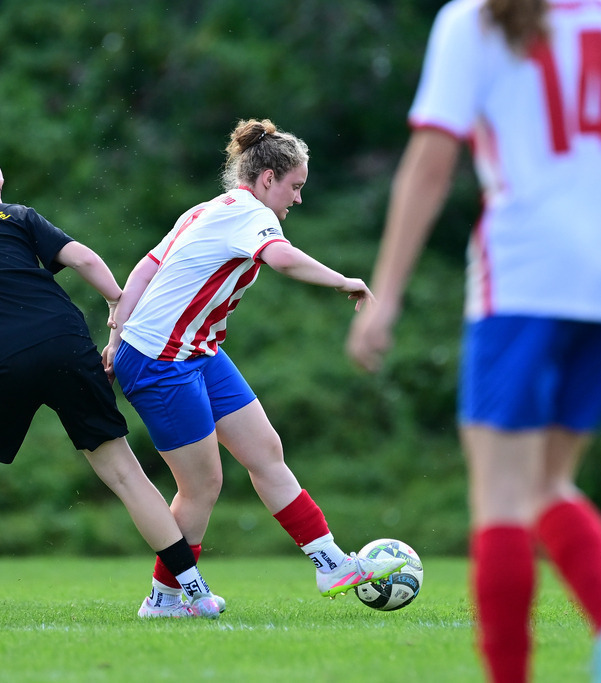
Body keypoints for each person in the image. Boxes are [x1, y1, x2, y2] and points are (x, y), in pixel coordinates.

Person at [345, 1, 601, 680]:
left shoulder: (475, 19)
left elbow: (430, 163)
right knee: (548, 483)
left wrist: (385, 294)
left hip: (526, 279)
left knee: (503, 497)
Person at [0, 143, 221, 623]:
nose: (2, 192)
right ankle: (195, 592)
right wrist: (114, 308)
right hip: (63, 344)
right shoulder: (15, 216)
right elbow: (83, 259)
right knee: (125, 474)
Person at [101, 118, 406, 619]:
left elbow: (143, 269)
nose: (298, 199)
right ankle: (164, 600)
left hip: (197, 350)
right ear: (267, 179)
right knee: (202, 485)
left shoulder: (207, 209)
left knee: (266, 451)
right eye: (295, 186)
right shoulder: (247, 212)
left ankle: (330, 563)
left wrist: (114, 336)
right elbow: (281, 259)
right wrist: (344, 281)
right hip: (160, 360)